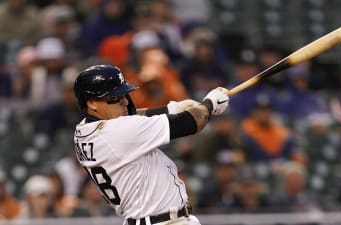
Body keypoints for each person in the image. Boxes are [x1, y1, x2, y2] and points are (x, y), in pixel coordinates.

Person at [73, 64, 229, 225]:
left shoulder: (83, 130)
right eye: (115, 98)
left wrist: (171, 108)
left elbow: (134, 117)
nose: (125, 102)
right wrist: (210, 104)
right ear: (91, 103)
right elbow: (194, 121)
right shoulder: (119, 131)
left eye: (124, 95)